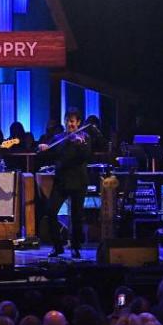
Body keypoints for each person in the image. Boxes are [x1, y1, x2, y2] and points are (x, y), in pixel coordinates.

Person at [38, 107, 91, 258]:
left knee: (76, 216)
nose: (70, 124)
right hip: (61, 181)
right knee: (50, 211)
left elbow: (86, 156)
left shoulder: (85, 138)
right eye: (67, 121)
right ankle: (58, 245)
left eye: (73, 121)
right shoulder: (58, 138)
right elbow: (47, 155)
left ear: (79, 123)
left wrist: (79, 144)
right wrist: (43, 148)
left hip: (79, 181)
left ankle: (75, 247)